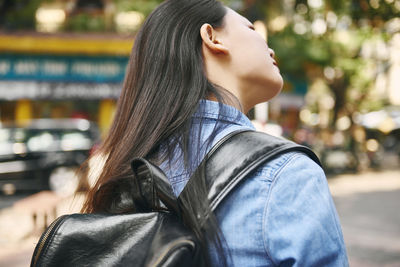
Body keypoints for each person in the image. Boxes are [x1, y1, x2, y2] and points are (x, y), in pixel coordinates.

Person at [81, 0, 349, 266]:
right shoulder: (285, 172)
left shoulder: (127, 173)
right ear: (212, 37)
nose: (268, 46)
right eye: (251, 27)